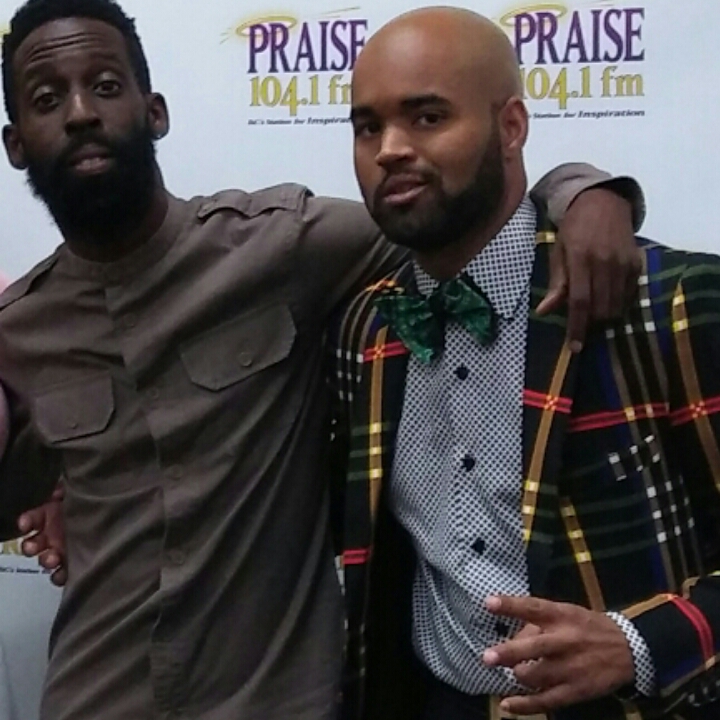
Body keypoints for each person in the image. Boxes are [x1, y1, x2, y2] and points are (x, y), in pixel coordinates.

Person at [0, 1, 644, 719]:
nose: (81, 113)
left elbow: (452, 212)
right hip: (96, 698)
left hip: (277, 701)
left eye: (105, 86)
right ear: (15, 144)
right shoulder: (16, 332)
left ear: (155, 112)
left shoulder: (285, 246)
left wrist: (584, 191)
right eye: (47, 99)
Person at [329, 7, 720, 720]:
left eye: (427, 117)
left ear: (511, 127)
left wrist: (640, 644)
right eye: (367, 127)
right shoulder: (368, 328)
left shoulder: (669, 302)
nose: (390, 149)